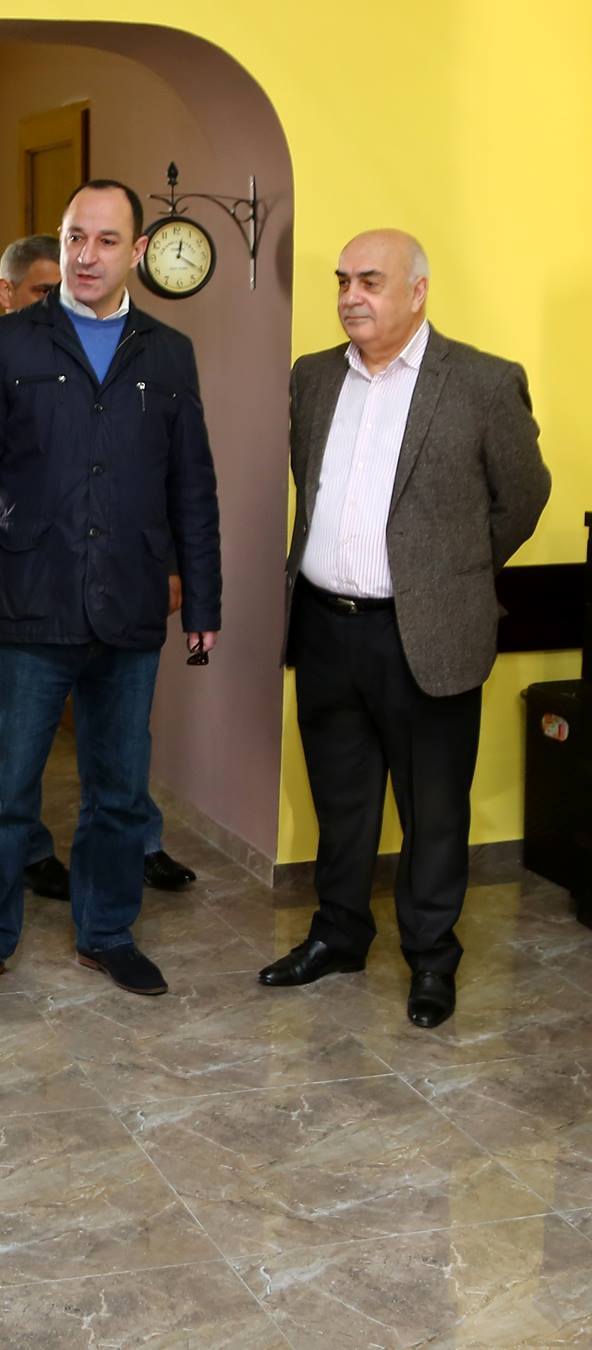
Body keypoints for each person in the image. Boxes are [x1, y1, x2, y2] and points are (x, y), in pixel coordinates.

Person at [0, 181, 222, 1011]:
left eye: (105, 241)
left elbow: (192, 486)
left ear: (138, 252)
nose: (85, 256)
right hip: (29, 604)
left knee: (119, 790)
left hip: (128, 608)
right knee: (4, 793)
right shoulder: (8, 341)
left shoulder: (168, 354)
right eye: (73, 238)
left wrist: (204, 604)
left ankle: (108, 933)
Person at [259, 229, 550, 1028]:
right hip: (325, 627)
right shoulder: (315, 376)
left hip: (427, 635)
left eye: (370, 281)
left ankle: (431, 959)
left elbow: (523, 497)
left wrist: (448, 576)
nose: (351, 296)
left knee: (434, 810)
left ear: (417, 292)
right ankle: (339, 935)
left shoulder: (483, 382)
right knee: (341, 800)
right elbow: (312, 489)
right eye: (342, 281)